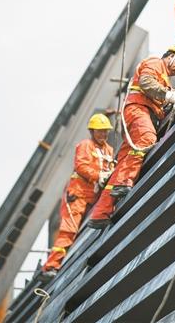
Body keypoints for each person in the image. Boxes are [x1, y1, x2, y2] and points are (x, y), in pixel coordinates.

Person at [87, 47, 175, 229]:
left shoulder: (165, 80)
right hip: (137, 110)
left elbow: (158, 102)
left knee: (124, 161)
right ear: (172, 56)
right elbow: (146, 83)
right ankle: (124, 183)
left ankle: (100, 213)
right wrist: (169, 95)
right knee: (147, 139)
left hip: (143, 114)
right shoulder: (156, 62)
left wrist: (168, 100)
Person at [39, 113, 114, 280]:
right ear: (92, 131)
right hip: (77, 195)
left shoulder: (109, 149)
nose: (103, 134)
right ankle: (50, 267)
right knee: (69, 230)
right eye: (100, 131)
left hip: (92, 197)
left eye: (105, 131)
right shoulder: (85, 145)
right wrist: (98, 176)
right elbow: (81, 166)